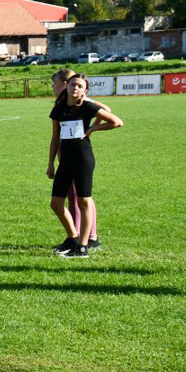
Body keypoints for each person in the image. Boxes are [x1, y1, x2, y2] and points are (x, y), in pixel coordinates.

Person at [47, 74, 123, 258]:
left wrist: (93, 128)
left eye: (80, 86)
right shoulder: (59, 109)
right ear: (67, 86)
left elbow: (117, 122)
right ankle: (73, 237)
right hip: (65, 160)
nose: (75, 88)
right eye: (73, 84)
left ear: (85, 91)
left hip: (83, 158)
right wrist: (50, 163)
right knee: (56, 203)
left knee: (83, 200)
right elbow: (55, 137)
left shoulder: (87, 107)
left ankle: (82, 246)